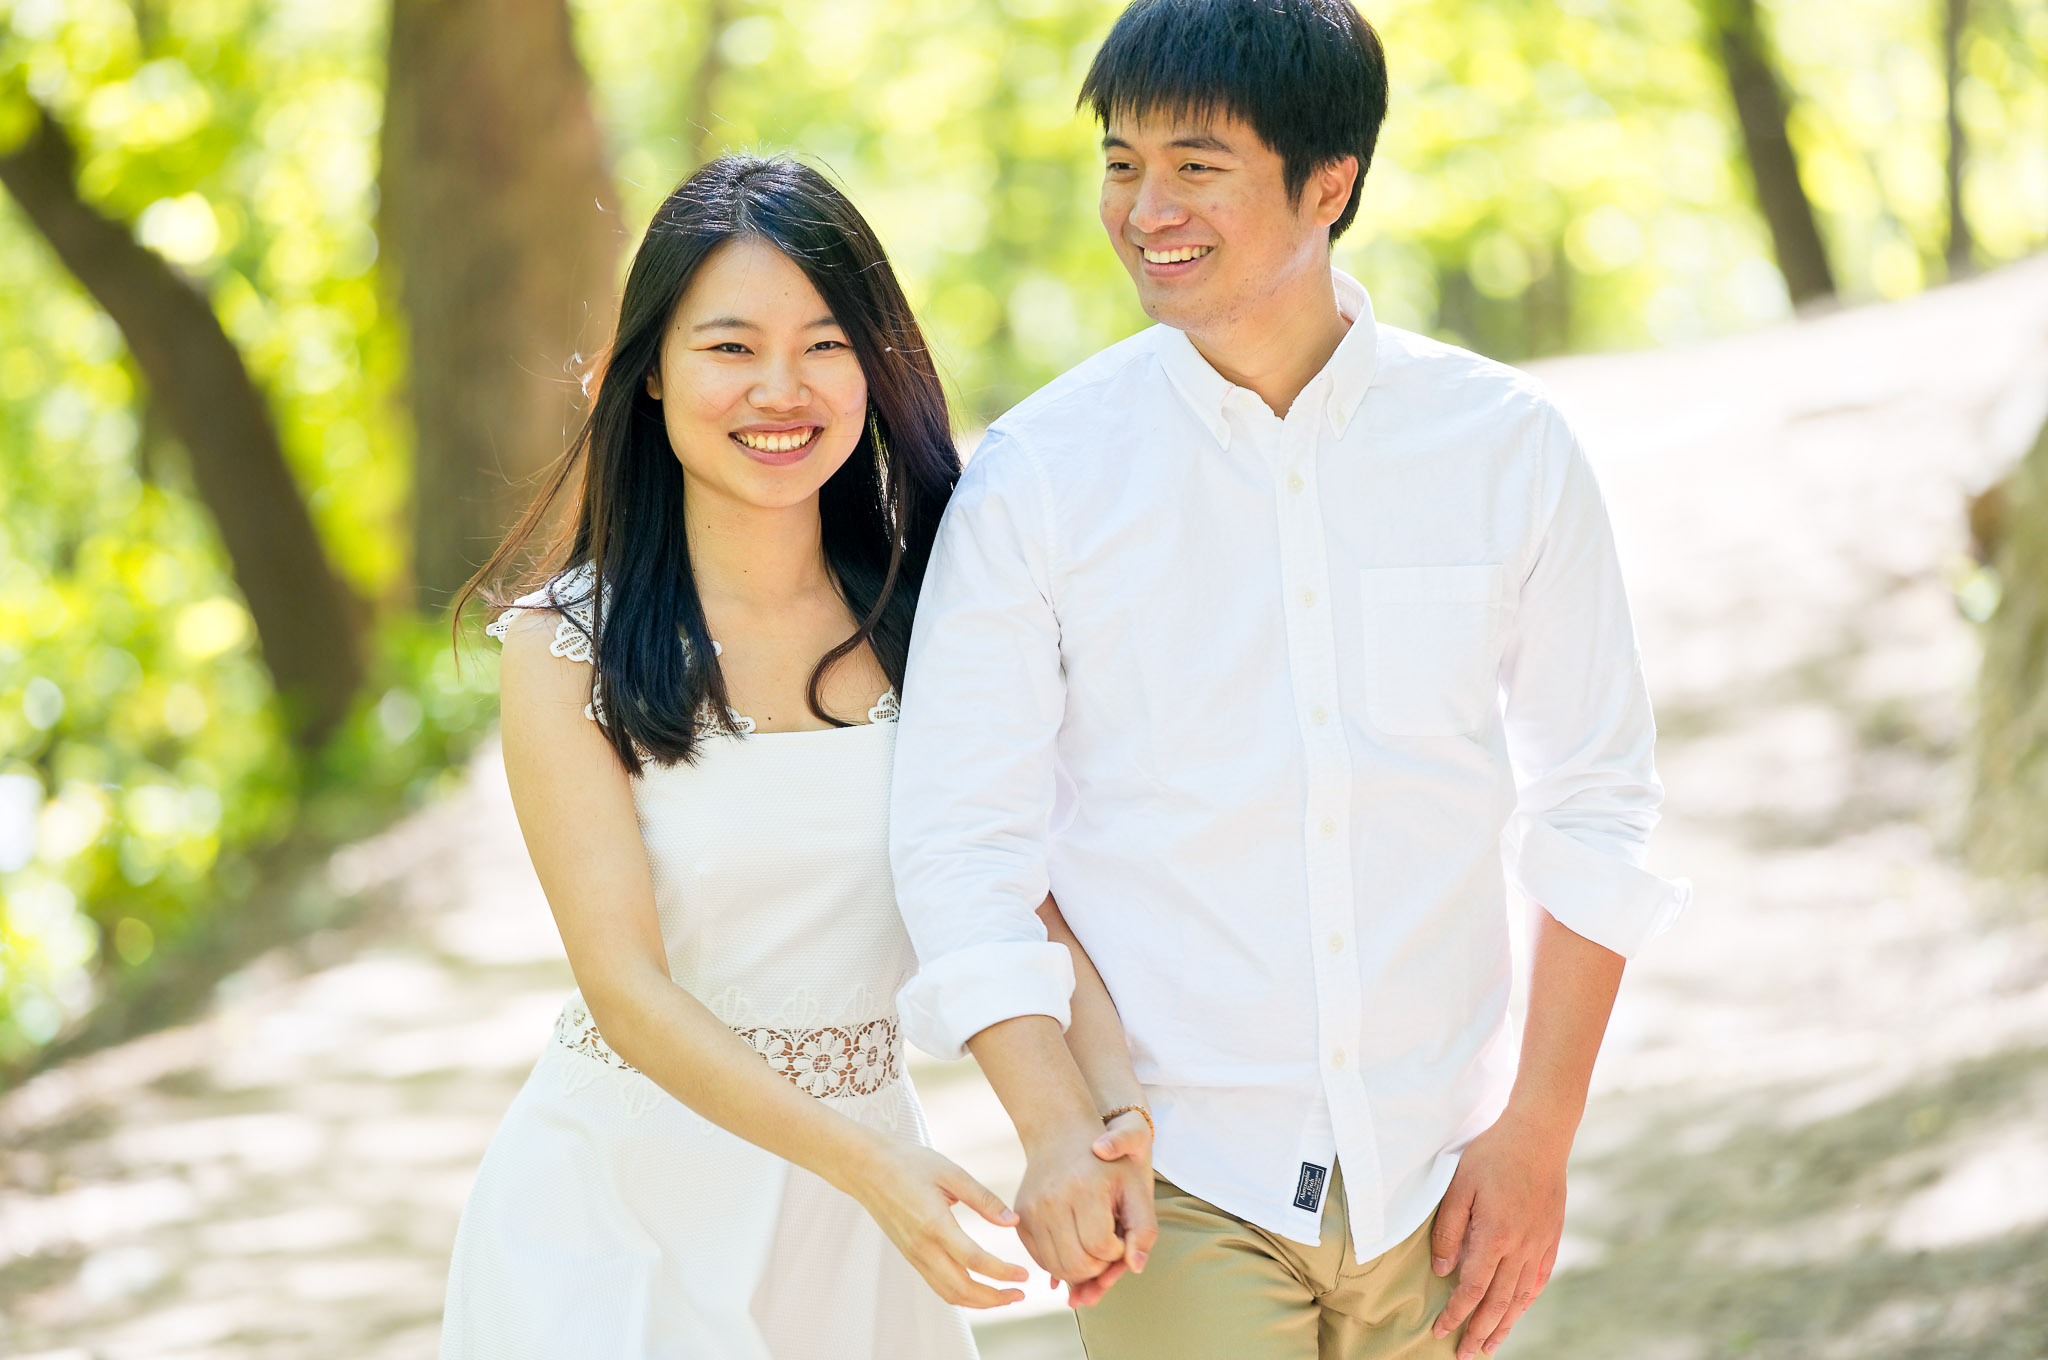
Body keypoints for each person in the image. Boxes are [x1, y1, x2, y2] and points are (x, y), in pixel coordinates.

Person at [888, 2, 1692, 1358]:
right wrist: (1051, 1129)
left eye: (1197, 166)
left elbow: (1598, 799)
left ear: (1332, 184)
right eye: (1121, 162)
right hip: (1177, 1173)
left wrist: (1538, 1135)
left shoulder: (1503, 449)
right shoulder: (1040, 479)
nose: (1147, 209)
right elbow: (964, 837)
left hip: (1436, 1173)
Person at [438, 155, 1044, 1360]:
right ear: (646, 378)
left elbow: (1033, 892)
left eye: (824, 344)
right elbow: (627, 989)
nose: (781, 387)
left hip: (863, 1227)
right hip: (615, 1211)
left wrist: (1087, 1124)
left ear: (876, 366)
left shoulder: (945, 620)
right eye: (729, 347)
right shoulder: (568, 646)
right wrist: (870, 1164)